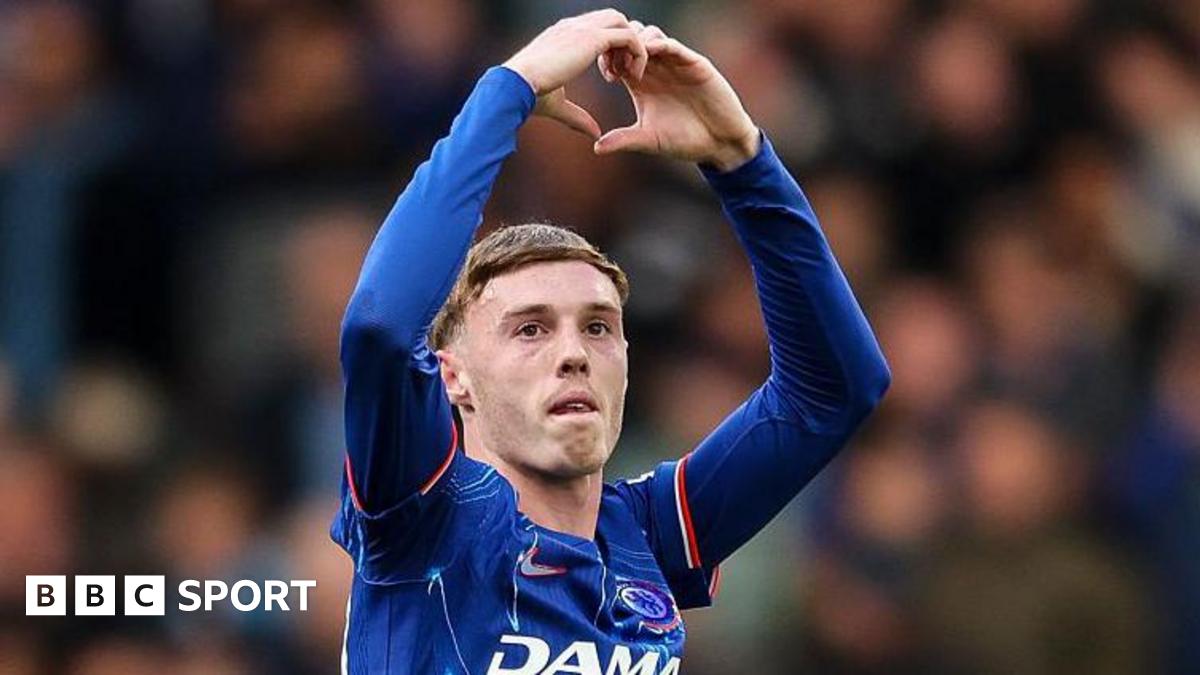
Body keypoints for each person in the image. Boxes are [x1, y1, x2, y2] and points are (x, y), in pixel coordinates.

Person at [331, 9, 890, 674]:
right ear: (453, 375)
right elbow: (382, 328)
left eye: (598, 326)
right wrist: (509, 89)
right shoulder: (424, 514)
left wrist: (741, 160)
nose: (573, 353)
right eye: (530, 328)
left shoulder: (647, 532)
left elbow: (835, 389)